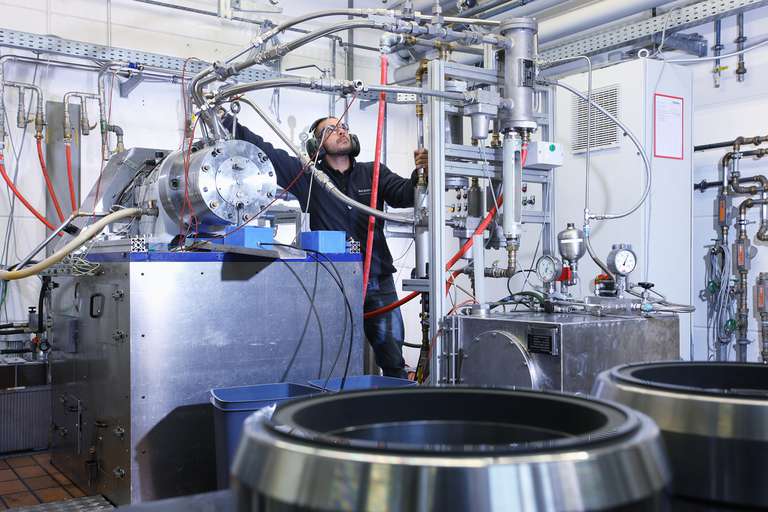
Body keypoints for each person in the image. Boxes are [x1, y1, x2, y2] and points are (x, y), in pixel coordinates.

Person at [223, 113, 428, 378]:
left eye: (343, 127)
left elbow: (405, 195)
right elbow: (267, 152)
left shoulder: (373, 172)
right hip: (333, 282)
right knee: (333, 359)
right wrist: (228, 121)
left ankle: (395, 398)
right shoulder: (308, 177)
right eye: (331, 130)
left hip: (377, 280)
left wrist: (421, 174)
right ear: (316, 145)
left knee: (392, 360)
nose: (341, 131)